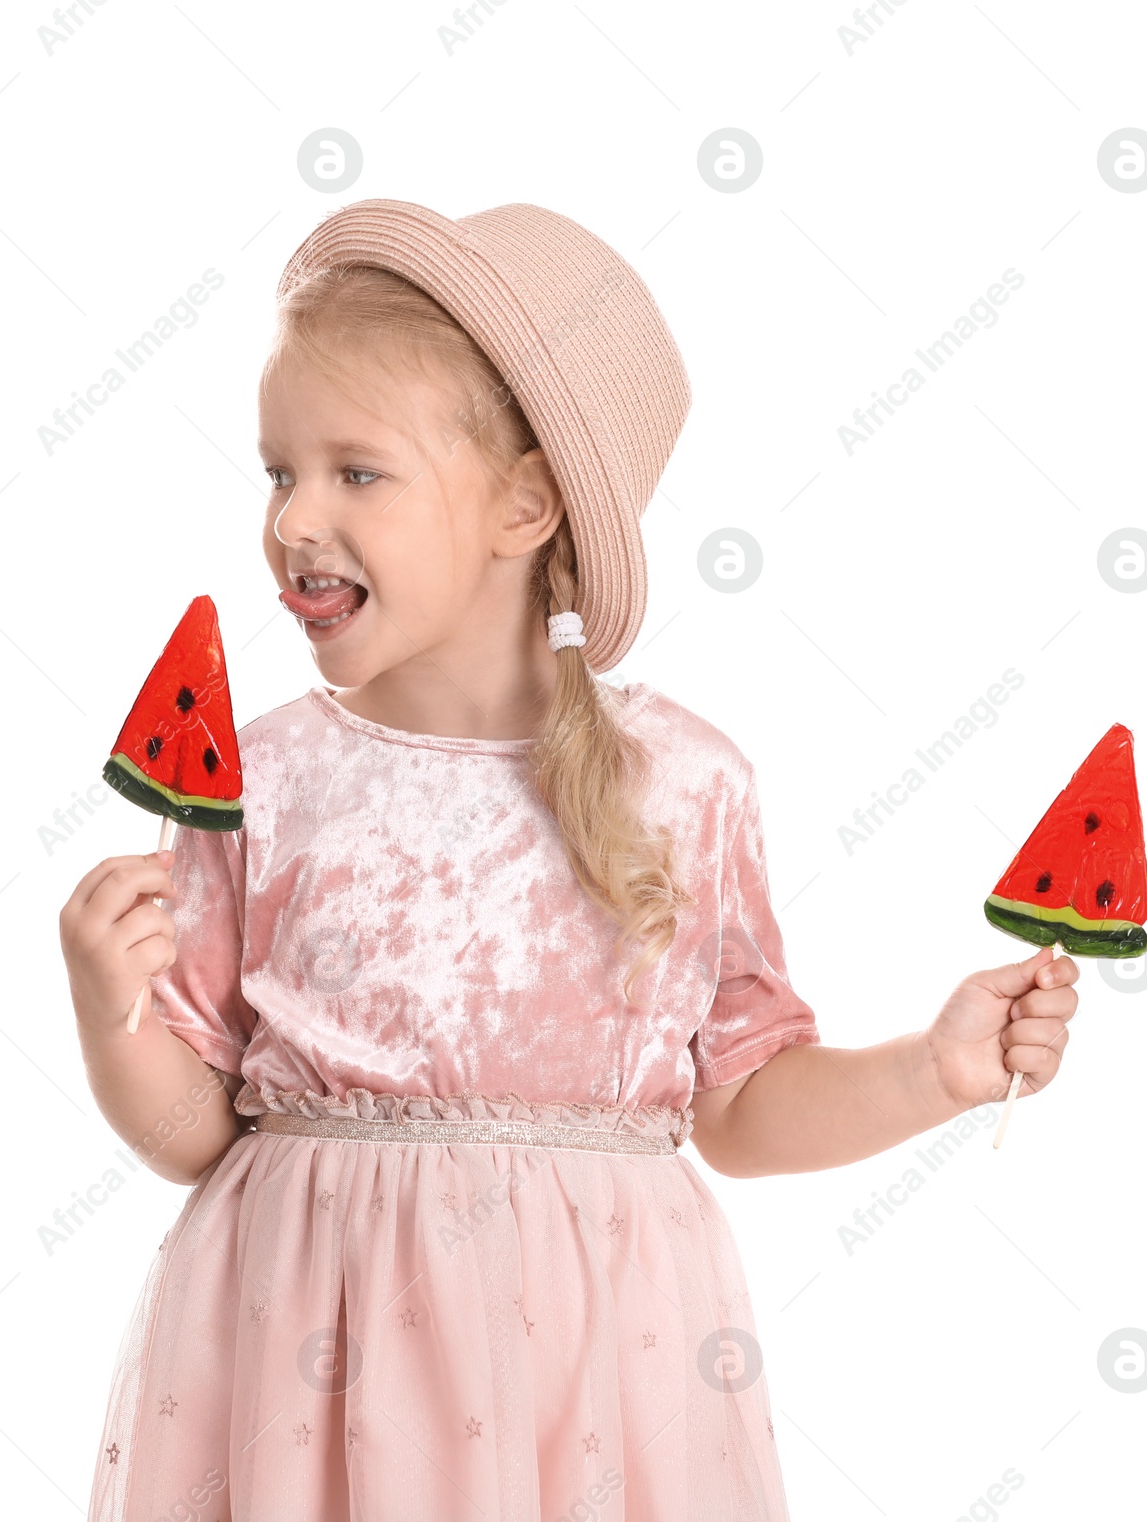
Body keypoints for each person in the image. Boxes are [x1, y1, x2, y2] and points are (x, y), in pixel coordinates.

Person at [59, 199, 1079, 1522]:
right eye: (278, 471)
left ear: (524, 503)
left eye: (356, 472)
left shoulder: (685, 784)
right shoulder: (256, 779)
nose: (295, 518)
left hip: (592, 1394)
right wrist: (107, 1012)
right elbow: (194, 1136)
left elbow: (741, 1105)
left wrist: (934, 1070)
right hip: (297, 1379)